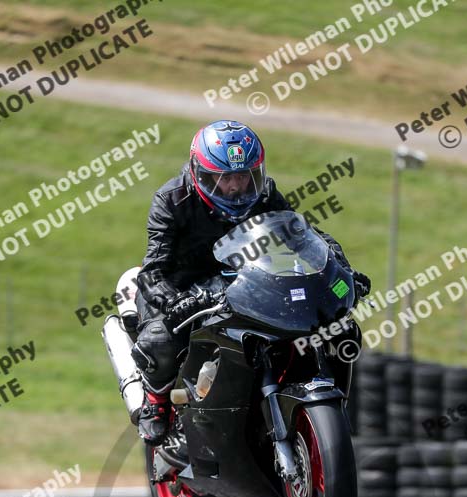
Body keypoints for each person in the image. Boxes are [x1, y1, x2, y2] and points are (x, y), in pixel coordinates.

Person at [131, 120, 371, 445]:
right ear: (201, 173)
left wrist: (339, 269)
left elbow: (302, 235)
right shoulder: (172, 199)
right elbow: (154, 269)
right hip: (182, 289)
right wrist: (173, 302)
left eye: (244, 176)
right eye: (225, 177)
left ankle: (325, 403)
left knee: (336, 323)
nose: (235, 187)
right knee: (159, 340)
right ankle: (156, 404)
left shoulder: (264, 194)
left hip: (240, 281)